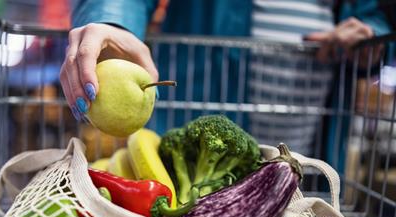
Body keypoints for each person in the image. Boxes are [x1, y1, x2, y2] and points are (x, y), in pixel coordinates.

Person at [60, 0, 392, 165]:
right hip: (199, 123)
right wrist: (114, 20)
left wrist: (370, 38)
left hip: (308, 142)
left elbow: (372, 11)